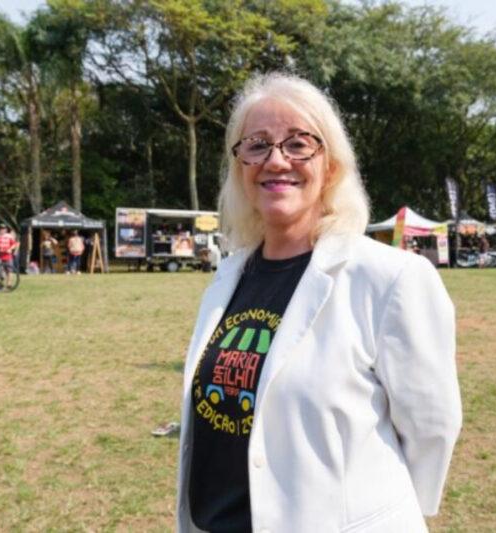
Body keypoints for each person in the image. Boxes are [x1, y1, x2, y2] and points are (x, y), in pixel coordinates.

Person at [176, 74, 461, 533]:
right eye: (257, 144)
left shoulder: (391, 279)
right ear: (239, 165)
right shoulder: (228, 277)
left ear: (331, 165)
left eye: (298, 144)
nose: (275, 160)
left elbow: (432, 426)